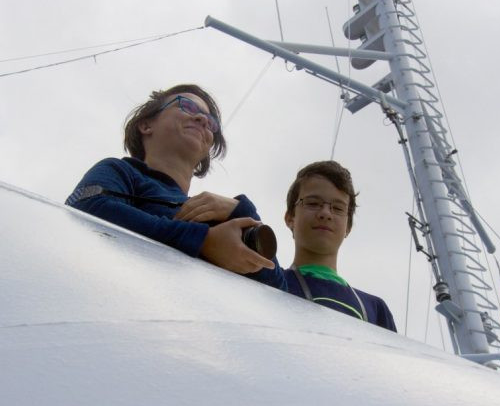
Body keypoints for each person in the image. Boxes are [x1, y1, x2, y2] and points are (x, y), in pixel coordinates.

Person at [66, 84, 285, 289]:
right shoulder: (121, 171)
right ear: (146, 124)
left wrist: (239, 209)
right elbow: (86, 206)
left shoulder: (219, 217)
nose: (202, 119)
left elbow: (277, 289)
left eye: (211, 123)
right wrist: (203, 241)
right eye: (187, 106)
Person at [281, 160, 396, 332]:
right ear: (290, 218)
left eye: (338, 208)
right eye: (313, 203)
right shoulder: (273, 283)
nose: (326, 213)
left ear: (348, 227)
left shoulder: (376, 309)